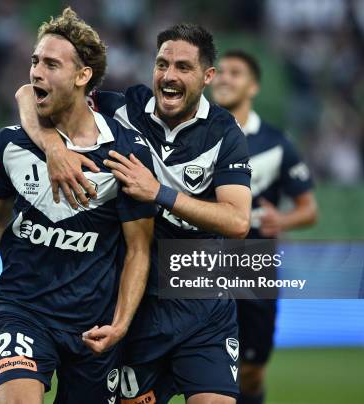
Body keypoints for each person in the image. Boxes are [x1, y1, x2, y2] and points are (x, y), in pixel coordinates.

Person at [0, 8, 157, 404]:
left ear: (83, 76)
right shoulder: (11, 144)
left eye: (51, 64)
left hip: (91, 326)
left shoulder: (125, 156)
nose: (35, 73)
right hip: (23, 311)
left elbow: (138, 249)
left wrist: (119, 325)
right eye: (34, 61)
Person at [16, 23, 252, 404]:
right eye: (162, 64)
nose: (169, 76)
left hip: (201, 305)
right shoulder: (120, 108)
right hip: (136, 308)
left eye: (183, 67)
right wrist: (52, 148)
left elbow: (238, 222)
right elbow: (29, 93)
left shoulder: (226, 134)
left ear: (208, 76)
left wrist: (159, 192)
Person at [212, 49, 318, 404]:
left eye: (236, 72)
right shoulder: (192, 132)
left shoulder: (276, 142)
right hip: (195, 262)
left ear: (253, 86)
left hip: (252, 265)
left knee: (251, 371)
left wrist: (282, 219)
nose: (225, 78)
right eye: (221, 71)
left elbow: (309, 209)